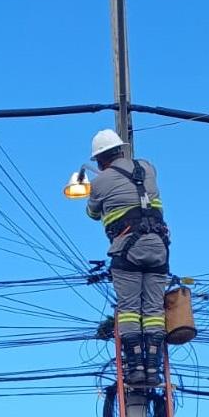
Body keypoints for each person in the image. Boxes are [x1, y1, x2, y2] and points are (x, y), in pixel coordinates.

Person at [84, 128, 170, 386]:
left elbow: (92, 213)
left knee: (130, 311)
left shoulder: (100, 181)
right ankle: (154, 370)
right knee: (154, 310)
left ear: (99, 159)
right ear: (121, 149)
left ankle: (136, 369)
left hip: (127, 251)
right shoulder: (147, 168)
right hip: (159, 248)